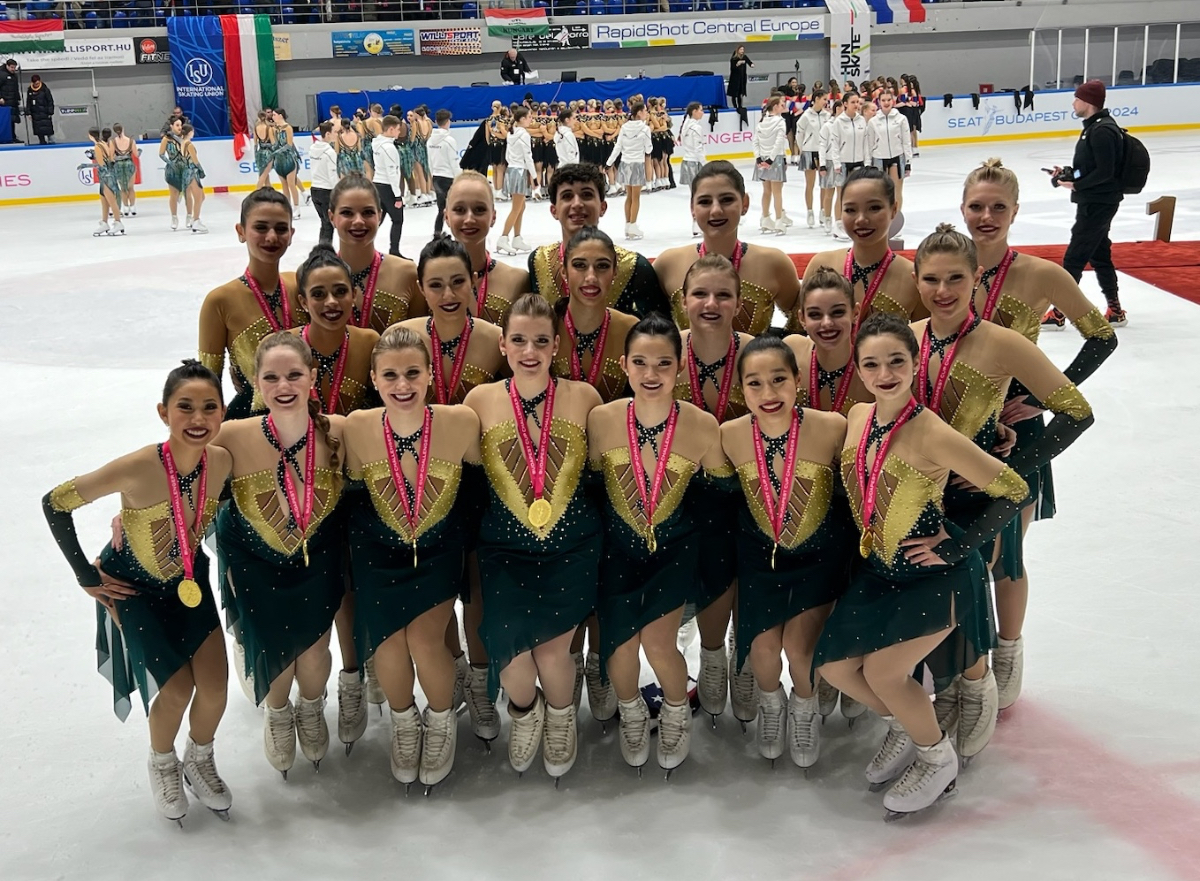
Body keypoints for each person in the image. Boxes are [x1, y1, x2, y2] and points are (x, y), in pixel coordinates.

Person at [811, 314, 1029, 819]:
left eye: (896, 361)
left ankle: (936, 759)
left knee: (884, 673)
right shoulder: (859, 416)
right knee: (835, 666)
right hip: (880, 573)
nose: (884, 373)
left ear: (914, 364)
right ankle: (908, 725)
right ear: (858, 369)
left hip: (936, 575)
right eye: (871, 364)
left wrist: (956, 545)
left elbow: (1013, 489)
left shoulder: (932, 431)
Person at [909, 224, 1095, 761]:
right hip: (926, 496)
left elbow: (1077, 412)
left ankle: (980, 683)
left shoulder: (1003, 342)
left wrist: (1005, 465)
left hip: (983, 497)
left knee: (981, 582)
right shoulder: (909, 339)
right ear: (917, 281)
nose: (943, 290)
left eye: (955, 278)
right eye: (931, 279)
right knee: (938, 594)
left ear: (977, 278)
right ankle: (946, 686)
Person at [42, 361, 235, 825]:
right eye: (184, 407)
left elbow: (211, 507)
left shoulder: (222, 461)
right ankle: (163, 761)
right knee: (177, 689)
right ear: (163, 412)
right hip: (135, 589)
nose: (198, 418)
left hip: (188, 583)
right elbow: (55, 502)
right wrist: (84, 575)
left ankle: (199, 758)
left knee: (215, 688)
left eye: (209, 407)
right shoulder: (138, 467)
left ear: (223, 413)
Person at [960, 158, 1118, 708]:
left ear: (1015, 211)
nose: (986, 216)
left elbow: (1101, 337)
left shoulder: (1043, 275)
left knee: (1006, 550)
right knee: (961, 550)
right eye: (977, 206)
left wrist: (1046, 394)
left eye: (997, 207)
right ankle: (962, 655)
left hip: (1016, 428)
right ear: (962, 209)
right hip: (953, 427)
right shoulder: (943, 270)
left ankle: (1007, 649)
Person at [463, 294, 604, 781]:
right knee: (513, 661)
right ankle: (525, 711)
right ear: (502, 344)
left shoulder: (584, 397)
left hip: (571, 545)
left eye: (541, 341)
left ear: (556, 346)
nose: (530, 351)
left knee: (552, 652)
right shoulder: (479, 401)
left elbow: (600, 471)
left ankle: (561, 718)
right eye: (519, 340)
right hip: (506, 548)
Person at [342, 326, 482, 789]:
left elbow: (486, 479)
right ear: (373, 378)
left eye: (412, 373)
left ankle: (440, 721)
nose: (402, 385)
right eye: (390, 375)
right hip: (379, 549)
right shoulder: (356, 426)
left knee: (424, 640)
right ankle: (404, 724)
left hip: (439, 545)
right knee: (387, 643)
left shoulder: (460, 422)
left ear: (429, 374)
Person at [589, 314, 723, 775]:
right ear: (624, 365)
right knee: (620, 647)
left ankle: (675, 709)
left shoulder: (702, 425)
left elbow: (722, 489)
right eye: (641, 362)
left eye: (664, 363)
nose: (651, 374)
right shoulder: (602, 419)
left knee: (659, 643)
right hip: (617, 550)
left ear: (680, 367)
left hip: (673, 548)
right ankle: (630, 711)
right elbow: (591, 483)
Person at [214, 333, 346, 779]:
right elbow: (177, 470)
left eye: (294, 374)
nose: (283, 385)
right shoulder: (232, 434)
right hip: (254, 557)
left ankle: (310, 706)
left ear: (312, 376)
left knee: (314, 650)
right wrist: (126, 515)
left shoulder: (339, 431)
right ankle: (277, 711)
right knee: (272, 645)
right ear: (256, 382)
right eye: (271, 377)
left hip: (317, 555)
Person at [717, 335, 853, 769]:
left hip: (820, 557)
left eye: (779, 379)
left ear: (798, 379)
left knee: (799, 648)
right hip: (761, 558)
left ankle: (804, 707)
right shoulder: (729, 435)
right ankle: (771, 705)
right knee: (761, 650)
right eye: (754, 383)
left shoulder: (832, 426)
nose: (768, 393)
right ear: (741, 389)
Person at [669, 255, 754, 726]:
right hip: (681, 494)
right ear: (682, 301)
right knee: (701, 578)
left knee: (746, 577)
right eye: (700, 293)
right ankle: (711, 655)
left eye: (723, 295)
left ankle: (742, 656)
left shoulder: (757, 354)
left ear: (739, 303)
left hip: (750, 493)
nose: (711, 303)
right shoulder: (665, 351)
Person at [657, 161, 800, 336]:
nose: (716, 210)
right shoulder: (668, 265)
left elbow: (802, 324)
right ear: (692, 208)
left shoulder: (774, 264)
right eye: (705, 202)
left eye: (726, 200)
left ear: (744, 203)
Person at [197, 189, 302, 420]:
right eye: (261, 228)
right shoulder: (219, 302)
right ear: (241, 231)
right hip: (250, 422)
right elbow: (207, 387)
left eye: (281, 228)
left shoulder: (301, 287)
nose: (272, 237)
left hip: (311, 415)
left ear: (291, 234)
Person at [529, 164, 670, 320]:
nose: (577, 204)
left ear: (603, 207)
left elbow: (660, 329)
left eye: (586, 195)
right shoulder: (539, 261)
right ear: (554, 210)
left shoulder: (634, 268)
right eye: (567, 196)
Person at [1045, 79, 1129, 327]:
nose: (1073, 103)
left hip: (1098, 203)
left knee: (1075, 256)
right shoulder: (1095, 128)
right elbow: (1092, 167)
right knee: (1099, 255)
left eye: (1077, 99)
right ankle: (1115, 311)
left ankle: (1059, 312)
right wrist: (1070, 174)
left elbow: (1105, 172)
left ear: (1088, 102)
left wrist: (1076, 185)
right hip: (1096, 201)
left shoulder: (1102, 131)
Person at [802, 167, 924, 325]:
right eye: (850, 210)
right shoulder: (821, 265)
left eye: (874, 208)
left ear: (894, 210)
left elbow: (925, 337)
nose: (861, 219)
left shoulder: (912, 278)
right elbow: (800, 328)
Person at [395, 236, 505, 406]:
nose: (448, 295)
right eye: (436, 285)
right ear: (421, 288)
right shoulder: (399, 338)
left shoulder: (497, 341)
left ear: (473, 281)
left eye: (458, 282)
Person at [552, 227, 639, 403]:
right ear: (564, 271)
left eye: (602, 266)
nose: (591, 277)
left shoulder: (632, 330)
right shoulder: (546, 327)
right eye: (580, 265)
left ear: (615, 272)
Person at [329, 172, 423, 332]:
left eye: (367, 212)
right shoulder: (315, 277)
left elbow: (423, 337)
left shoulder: (408, 273)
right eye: (347, 213)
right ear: (332, 217)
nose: (358, 221)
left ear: (379, 216)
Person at [443, 170, 530, 326]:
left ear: (493, 217)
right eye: (460, 210)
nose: (469, 219)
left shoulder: (517, 280)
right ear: (447, 217)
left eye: (479, 210)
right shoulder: (430, 280)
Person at [607, 99, 653, 241]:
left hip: (625, 163)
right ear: (639, 113)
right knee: (636, 197)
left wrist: (609, 162)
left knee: (629, 196)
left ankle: (628, 225)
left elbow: (618, 146)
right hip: (637, 163)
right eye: (645, 111)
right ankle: (633, 225)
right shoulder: (645, 129)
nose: (647, 113)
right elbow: (649, 148)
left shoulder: (625, 127)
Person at [827, 93, 871, 238]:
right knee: (841, 194)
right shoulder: (838, 122)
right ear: (845, 104)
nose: (856, 105)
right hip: (843, 162)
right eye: (853, 102)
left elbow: (865, 143)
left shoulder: (861, 121)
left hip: (859, 161)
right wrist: (836, 162)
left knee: (857, 195)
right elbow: (834, 144)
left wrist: (867, 161)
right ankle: (838, 225)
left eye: (858, 102)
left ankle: (854, 223)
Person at [497, 107, 535, 256]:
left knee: (521, 207)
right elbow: (528, 157)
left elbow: (507, 156)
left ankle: (517, 238)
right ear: (522, 119)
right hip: (519, 171)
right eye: (529, 117)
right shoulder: (524, 135)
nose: (531, 119)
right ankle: (503, 237)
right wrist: (535, 177)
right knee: (516, 208)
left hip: (512, 169)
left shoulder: (511, 133)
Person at [867, 91, 913, 212]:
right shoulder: (873, 121)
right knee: (880, 191)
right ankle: (882, 217)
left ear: (893, 101)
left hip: (897, 157)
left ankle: (896, 217)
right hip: (879, 158)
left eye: (888, 100)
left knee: (897, 190)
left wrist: (908, 161)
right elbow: (870, 144)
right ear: (879, 102)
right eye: (883, 100)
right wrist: (868, 163)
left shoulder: (901, 119)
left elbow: (906, 141)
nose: (886, 103)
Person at [752, 97, 790, 235]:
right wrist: (771, 160)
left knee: (766, 191)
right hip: (775, 159)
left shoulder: (762, 121)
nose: (783, 107)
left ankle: (765, 218)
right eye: (781, 105)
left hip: (762, 158)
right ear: (775, 107)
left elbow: (755, 141)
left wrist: (759, 158)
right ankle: (779, 221)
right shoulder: (780, 122)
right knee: (777, 192)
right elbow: (779, 143)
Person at [371, 115, 407, 258]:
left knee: (377, 220)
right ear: (391, 129)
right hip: (387, 187)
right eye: (398, 129)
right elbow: (392, 173)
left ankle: (364, 246)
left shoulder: (377, 144)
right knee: (398, 220)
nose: (399, 132)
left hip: (378, 185)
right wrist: (397, 196)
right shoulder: (389, 148)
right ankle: (394, 250)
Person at [797, 90, 829, 229]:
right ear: (816, 99)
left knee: (824, 184)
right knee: (810, 184)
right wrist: (803, 148)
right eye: (824, 99)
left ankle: (823, 210)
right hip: (809, 150)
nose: (826, 102)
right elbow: (799, 133)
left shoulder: (827, 116)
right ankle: (810, 211)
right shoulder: (806, 115)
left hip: (824, 152)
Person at [84, 127, 123, 237]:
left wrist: (86, 165)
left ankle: (118, 222)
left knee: (111, 201)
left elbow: (101, 164)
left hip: (106, 176)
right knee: (104, 202)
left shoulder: (98, 146)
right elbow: (110, 160)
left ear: (90, 135)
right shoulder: (104, 144)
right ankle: (104, 222)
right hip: (108, 175)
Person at [427, 109, 458, 238]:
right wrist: (459, 178)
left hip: (436, 177)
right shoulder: (449, 140)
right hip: (448, 177)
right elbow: (453, 161)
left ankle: (437, 233)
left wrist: (432, 176)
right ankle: (458, 234)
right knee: (454, 208)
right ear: (448, 122)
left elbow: (429, 161)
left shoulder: (430, 140)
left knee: (441, 208)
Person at [309, 122, 339, 245]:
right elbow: (332, 175)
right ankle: (325, 250)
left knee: (325, 223)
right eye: (335, 132)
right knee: (328, 224)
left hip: (314, 189)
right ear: (327, 134)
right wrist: (337, 193)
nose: (337, 134)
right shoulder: (329, 152)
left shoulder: (312, 148)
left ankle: (322, 248)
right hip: (326, 191)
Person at [271, 109, 303, 218]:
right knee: (284, 185)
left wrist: (276, 151)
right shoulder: (273, 129)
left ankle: (297, 208)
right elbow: (274, 144)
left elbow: (289, 145)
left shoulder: (288, 128)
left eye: (274, 115)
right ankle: (287, 208)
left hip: (289, 159)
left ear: (280, 115)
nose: (273, 117)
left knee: (291, 184)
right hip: (278, 161)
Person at [180, 125, 207, 235]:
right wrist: (201, 170)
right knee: (198, 197)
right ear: (189, 132)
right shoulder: (189, 145)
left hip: (187, 172)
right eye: (192, 131)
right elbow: (195, 160)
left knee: (201, 196)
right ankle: (196, 221)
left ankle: (194, 218)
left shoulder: (182, 143)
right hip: (192, 172)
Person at [110, 123, 138, 218]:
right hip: (129, 164)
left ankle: (125, 207)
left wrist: (118, 157)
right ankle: (132, 207)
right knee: (130, 187)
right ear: (123, 129)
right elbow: (136, 154)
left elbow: (111, 157)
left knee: (123, 188)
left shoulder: (113, 142)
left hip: (118, 165)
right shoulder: (131, 141)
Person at [25, 74, 54, 144]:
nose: (37, 85)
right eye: (35, 84)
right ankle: (42, 141)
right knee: (38, 129)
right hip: (35, 114)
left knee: (48, 128)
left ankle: (51, 140)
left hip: (45, 112)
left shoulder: (45, 89)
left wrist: (50, 111)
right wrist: (28, 113)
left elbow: (50, 101)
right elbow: (28, 102)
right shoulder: (30, 91)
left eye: (38, 83)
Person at [727, 46, 753, 115]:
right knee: (734, 94)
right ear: (738, 50)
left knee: (740, 93)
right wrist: (738, 63)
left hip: (742, 78)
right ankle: (735, 106)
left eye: (743, 49)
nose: (742, 51)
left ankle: (740, 106)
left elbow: (748, 61)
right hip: (735, 78)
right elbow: (733, 68)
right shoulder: (734, 58)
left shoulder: (744, 57)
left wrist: (751, 64)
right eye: (741, 49)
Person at [253, 110, 275, 190]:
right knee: (263, 175)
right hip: (268, 153)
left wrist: (255, 154)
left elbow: (255, 143)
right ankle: (256, 192)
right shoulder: (269, 128)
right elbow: (273, 142)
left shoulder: (256, 128)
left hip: (260, 153)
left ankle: (270, 192)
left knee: (265, 175)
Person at [0, 59, 20, 143]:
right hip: (4, 102)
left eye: (14, 67)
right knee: (5, 121)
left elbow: (15, 88)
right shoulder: (1, 74)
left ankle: (12, 137)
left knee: (12, 120)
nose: (13, 69)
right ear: (7, 66)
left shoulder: (14, 76)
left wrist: (18, 98)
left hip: (13, 101)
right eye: (12, 67)